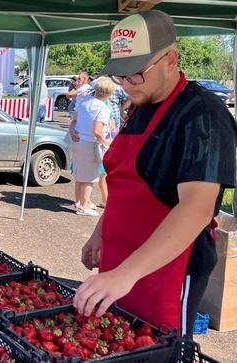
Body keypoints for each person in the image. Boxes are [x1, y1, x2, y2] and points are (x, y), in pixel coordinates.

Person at [74, 10, 237, 337]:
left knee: (160, 346)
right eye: (121, 75)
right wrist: (100, 230)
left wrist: (125, 274)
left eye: (136, 74)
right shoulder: (138, 107)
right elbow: (126, 184)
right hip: (121, 262)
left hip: (168, 268)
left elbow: (196, 208)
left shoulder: (202, 115)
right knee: (118, 342)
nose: (127, 83)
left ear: (170, 59)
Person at [69, 78, 115, 216]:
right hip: (91, 144)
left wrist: (72, 131)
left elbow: (74, 121)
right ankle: (84, 206)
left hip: (79, 142)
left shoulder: (84, 102)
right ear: (109, 93)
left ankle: (80, 202)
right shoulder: (103, 108)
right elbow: (97, 131)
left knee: (80, 175)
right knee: (90, 177)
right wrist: (107, 142)